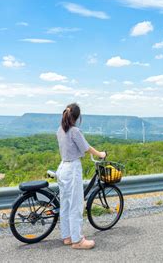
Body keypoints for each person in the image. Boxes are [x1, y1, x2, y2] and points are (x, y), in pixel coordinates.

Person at [56, 103, 106, 250]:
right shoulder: (75, 131)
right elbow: (86, 148)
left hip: (62, 167)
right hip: (72, 169)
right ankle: (77, 241)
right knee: (76, 205)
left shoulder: (59, 130)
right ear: (77, 117)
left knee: (65, 204)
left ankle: (67, 237)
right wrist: (100, 154)